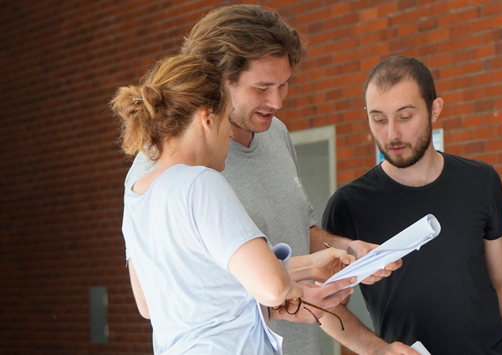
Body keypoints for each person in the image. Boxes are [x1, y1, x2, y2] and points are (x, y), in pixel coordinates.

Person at [125, 5, 402, 355]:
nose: (277, 101)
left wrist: (343, 252)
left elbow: (294, 239)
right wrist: (292, 278)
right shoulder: (168, 171)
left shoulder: (276, 135)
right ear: (214, 86)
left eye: (284, 85)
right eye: (262, 87)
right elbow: (156, 299)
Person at [112, 55, 355, 354]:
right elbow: (272, 286)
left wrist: (284, 296)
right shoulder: (201, 183)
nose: (229, 133)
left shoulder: (137, 195)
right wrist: (295, 292)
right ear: (207, 119)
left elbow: (152, 303)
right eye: (227, 118)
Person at [322, 56, 502, 355]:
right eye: (379, 119)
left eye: (405, 117)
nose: (391, 134)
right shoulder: (348, 205)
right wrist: (376, 349)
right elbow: (325, 307)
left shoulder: (481, 181)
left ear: (435, 109)